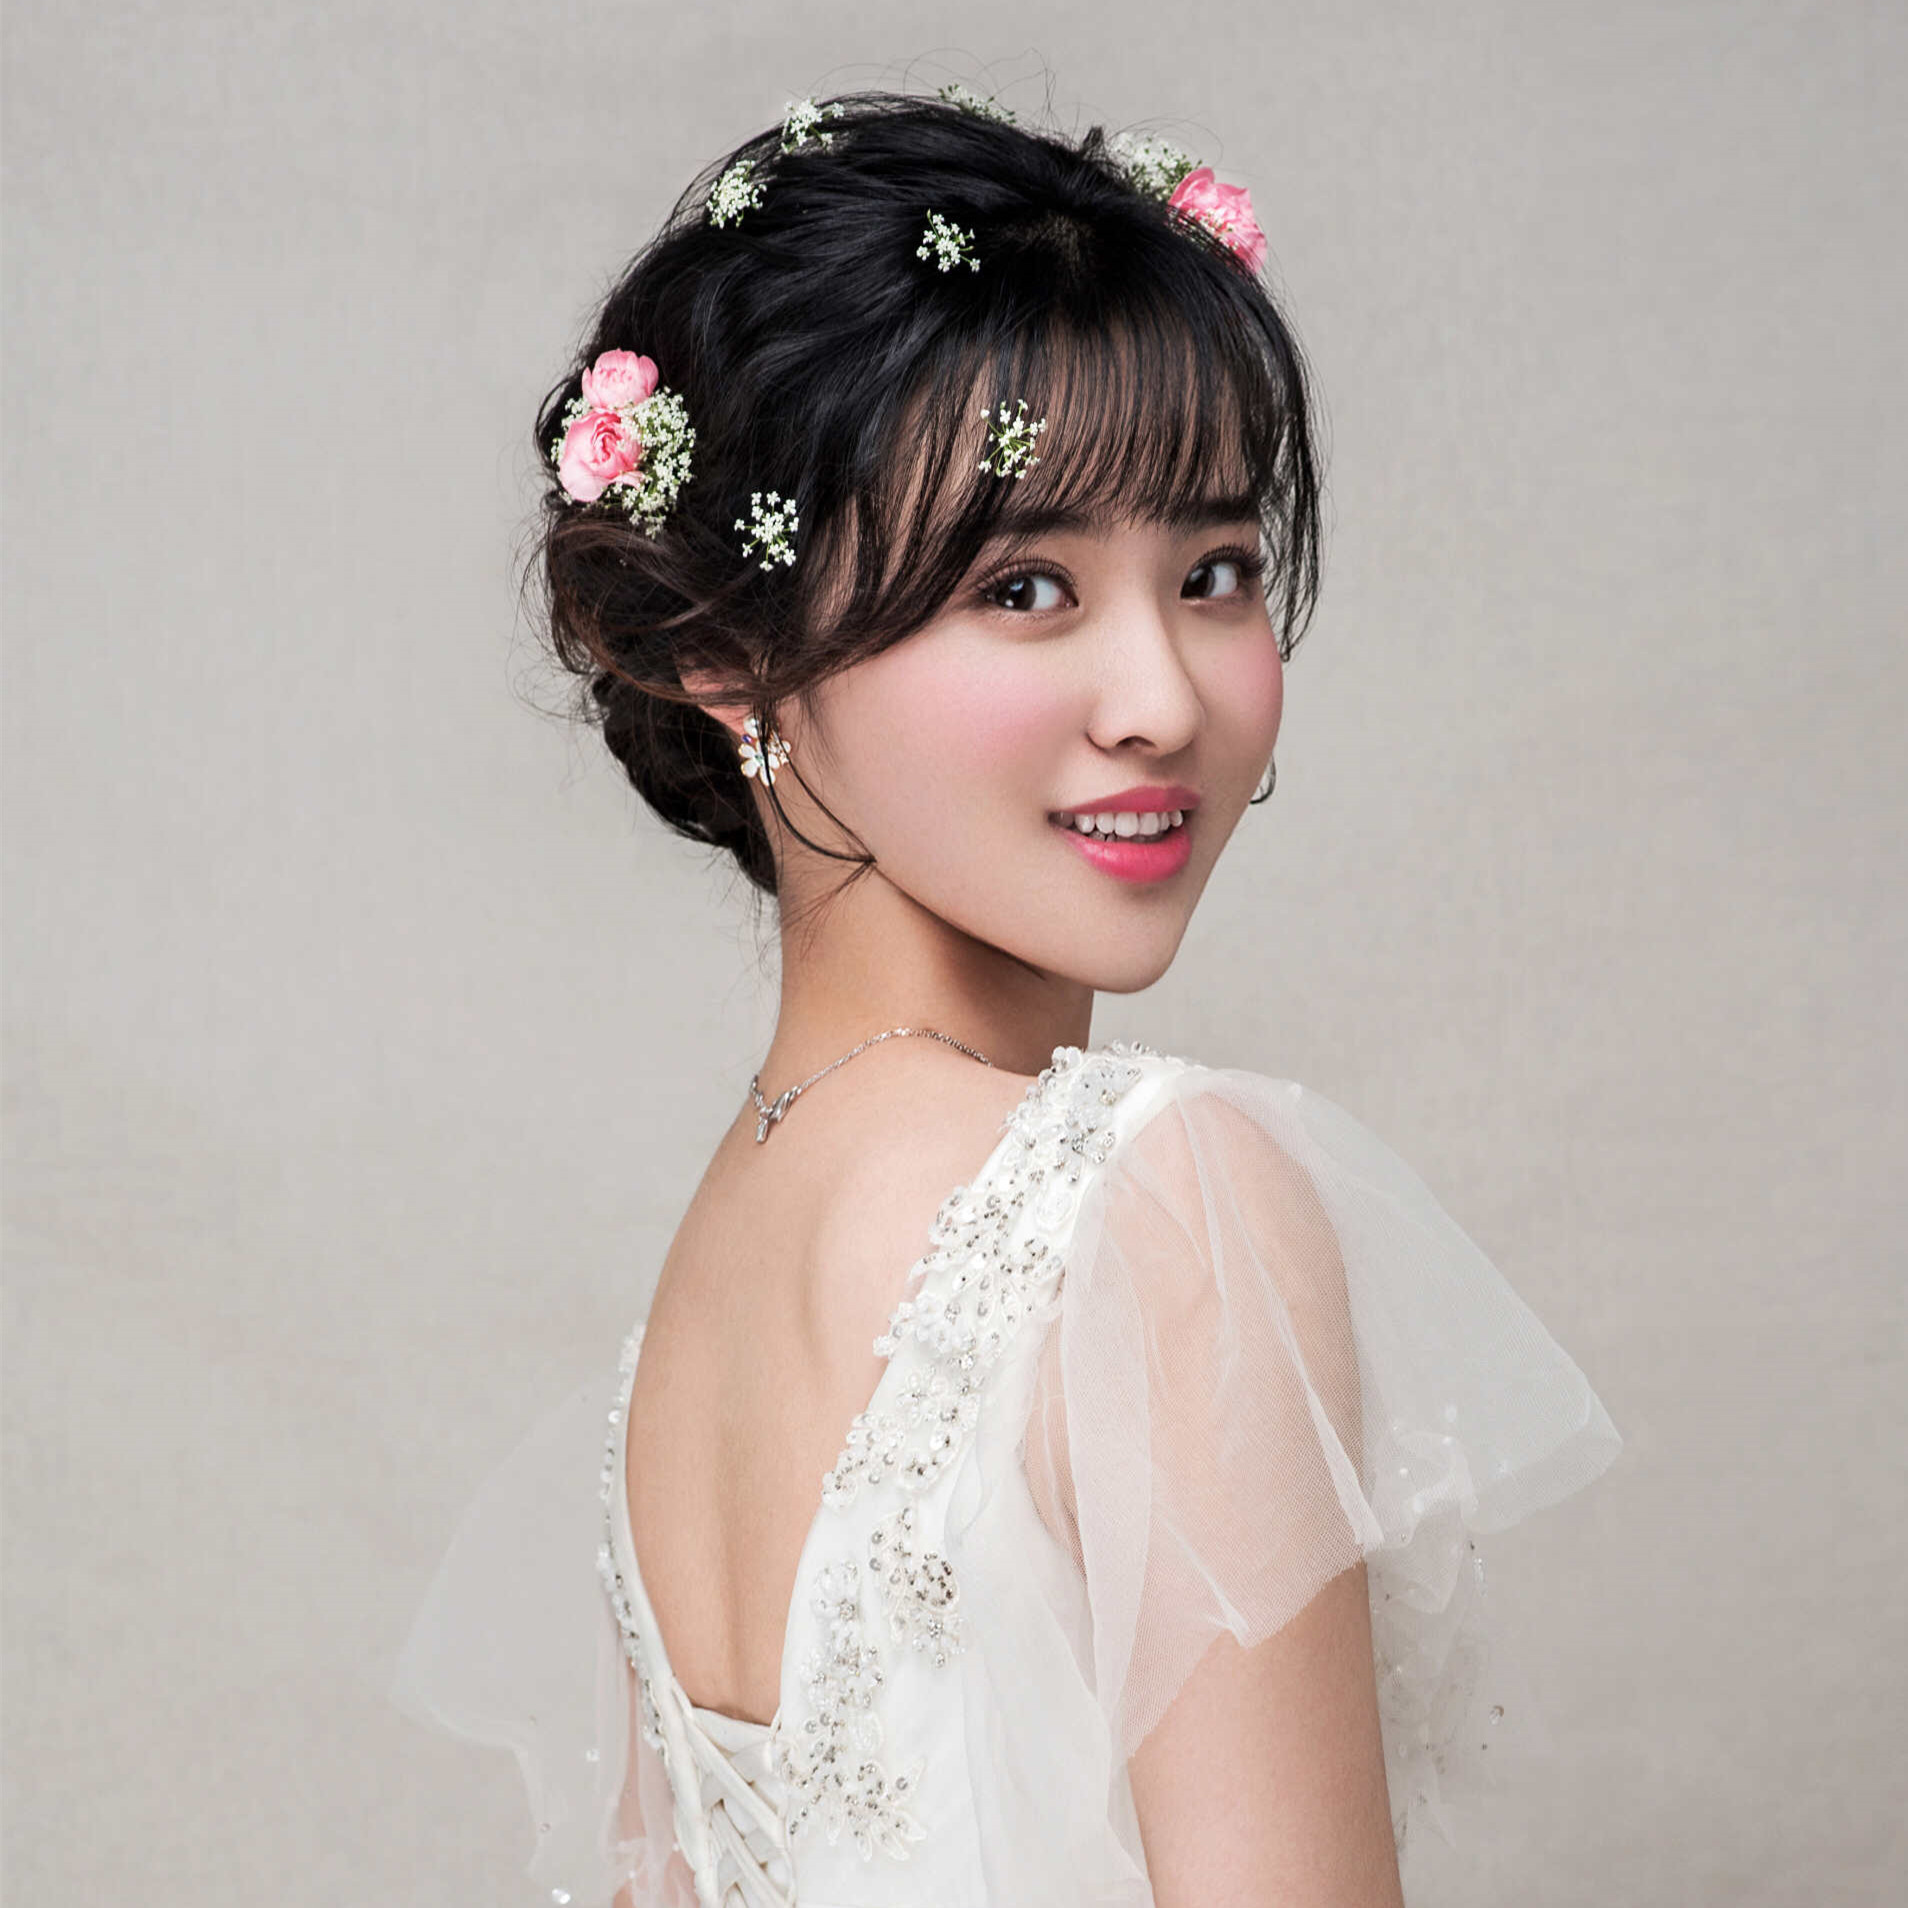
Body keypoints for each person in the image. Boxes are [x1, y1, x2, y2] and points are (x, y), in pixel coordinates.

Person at [390, 86, 1623, 1908]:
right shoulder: (1156, 1207)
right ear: (728, 653)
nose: (1162, 698)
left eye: (1213, 574)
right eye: (1027, 586)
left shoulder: (704, 1300)